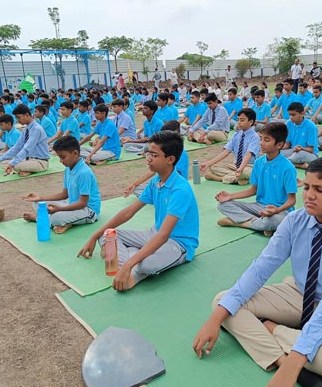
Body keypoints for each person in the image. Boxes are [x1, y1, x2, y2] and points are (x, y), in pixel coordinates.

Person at [193, 156, 322, 387]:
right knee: (223, 303)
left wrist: (295, 357)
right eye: (307, 187)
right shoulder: (295, 220)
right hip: (299, 293)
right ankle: (287, 363)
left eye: (320, 190)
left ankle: (271, 329)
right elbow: (261, 268)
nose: (309, 196)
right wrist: (214, 320)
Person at [77, 131, 199, 291]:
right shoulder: (156, 181)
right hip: (154, 234)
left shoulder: (180, 189)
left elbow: (164, 236)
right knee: (107, 234)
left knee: (147, 265)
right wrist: (94, 236)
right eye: (148, 153)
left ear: (170, 159)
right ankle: (131, 263)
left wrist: (129, 264)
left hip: (177, 243)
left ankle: (131, 264)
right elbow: (128, 212)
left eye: (154, 155)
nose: (148, 158)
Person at [216, 122, 297, 236]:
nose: (261, 143)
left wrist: (277, 210)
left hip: (280, 211)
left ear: (279, 145)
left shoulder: (288, 168)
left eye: (266, 140)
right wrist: (230, 196)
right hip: (259, 207)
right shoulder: (259, 162)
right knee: (223, 205)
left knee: (275, 220)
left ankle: (240, 223)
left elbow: (292, 200)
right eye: (261, 139)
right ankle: (259, 223)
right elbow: (253, 190)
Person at [22, 136, 100, 234]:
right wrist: (40, 197)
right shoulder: (68, 169)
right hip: (71, 203)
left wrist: (60, 209)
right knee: (38, 203)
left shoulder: (84, 173)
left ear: (75, 153)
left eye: (63, 157)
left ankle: (39, 218)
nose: (61, 161)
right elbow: (64, 194)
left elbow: (83, 203)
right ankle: (63, 222)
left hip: (87, 210)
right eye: (59, 157)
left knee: (56, 217)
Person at [124, 120, 189, 197]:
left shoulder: (181, 154)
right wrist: (134, 184)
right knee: (137, 188)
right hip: (162, 183)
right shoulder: (161, 151)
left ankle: (158, 196)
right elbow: (153, 171)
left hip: (172, 186)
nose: (149, 159)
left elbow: (174, 176)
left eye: (154, 155)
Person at [201, 108, 260, 185]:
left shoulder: (255, 137)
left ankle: (221, 178)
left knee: (245, 173)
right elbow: (226, 152)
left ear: (251, 122)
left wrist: (241, 168)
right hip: (235, 165)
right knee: (213, 167)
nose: (239, 122)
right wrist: (208, 163)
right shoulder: (236, 135)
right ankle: (236, 178)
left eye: (242, 120)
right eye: (238, 120)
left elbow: (248, 154)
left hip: (249, 166)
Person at [0, 104, 50, 176]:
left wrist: (12, 163)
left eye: (19, 117)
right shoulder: (26, 129)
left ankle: (24, 169)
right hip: (28, 159)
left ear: (27, 115)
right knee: (3, 162)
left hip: (40, 162)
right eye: (16, 118)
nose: (17, 120)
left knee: (14, 165)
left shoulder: (36, 129)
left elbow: (27, 148)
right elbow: (17, 147)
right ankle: (23, 169)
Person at [282, 102, 319, 168]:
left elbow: (311, 149)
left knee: (298, 155)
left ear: (302, 113)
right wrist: (277, 148)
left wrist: (301, 148)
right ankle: (299, 165)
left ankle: (284, 162)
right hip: (293, 151)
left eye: (293, 115)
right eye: (289, 115)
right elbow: (287, 144)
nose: (291, 117)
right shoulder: (288, 124)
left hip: (308, 154)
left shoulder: (311, 127)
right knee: (276, 153)